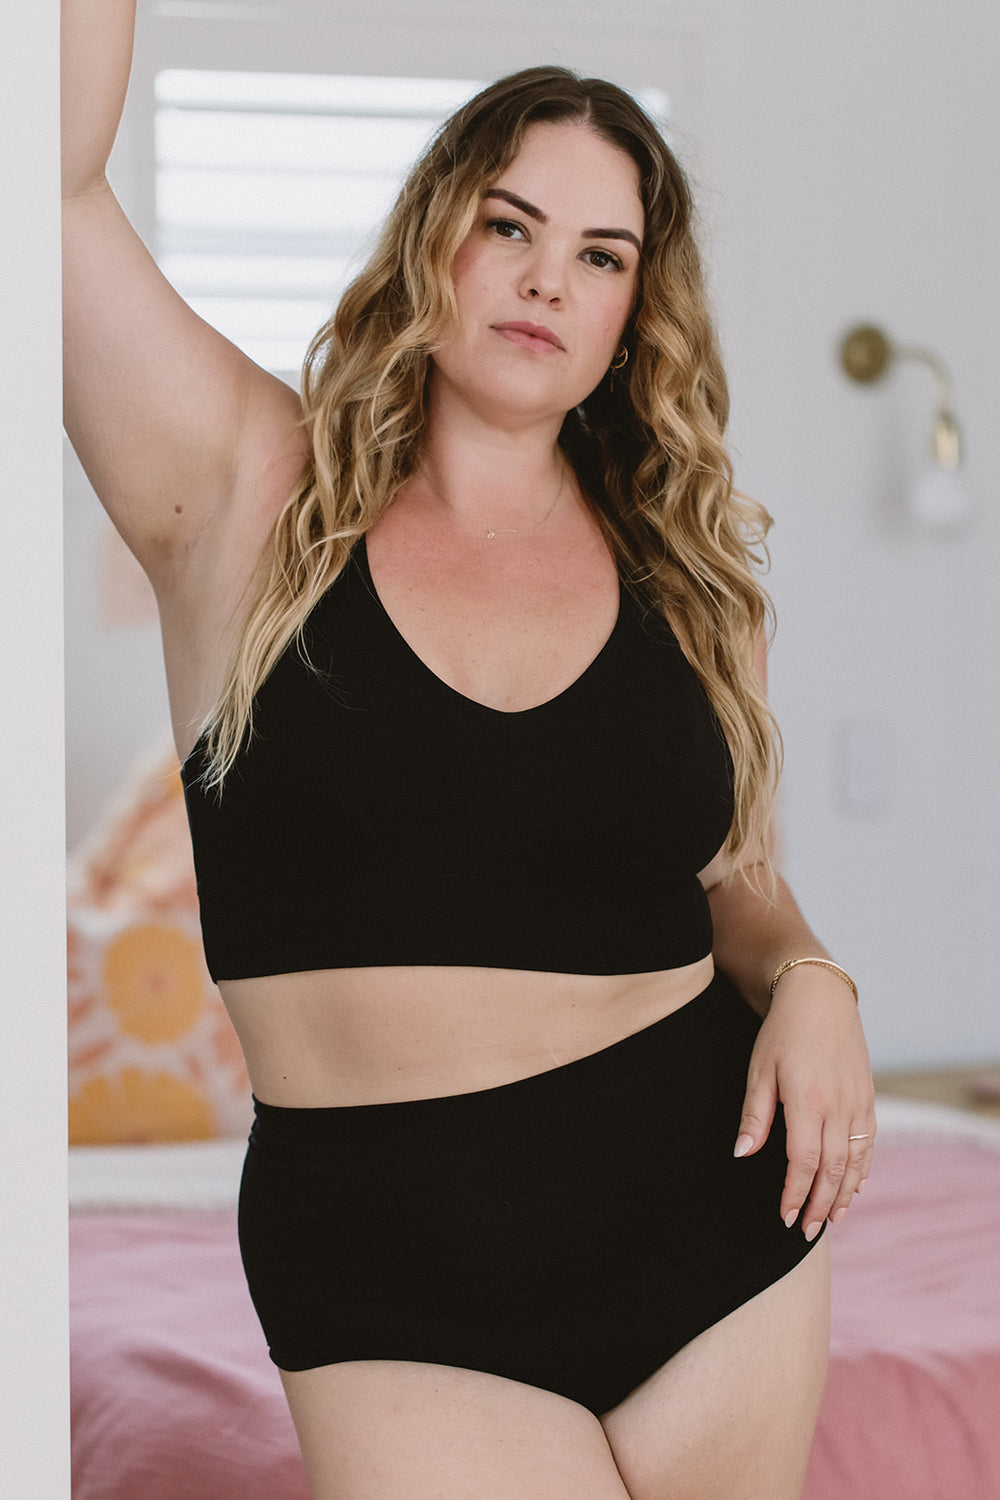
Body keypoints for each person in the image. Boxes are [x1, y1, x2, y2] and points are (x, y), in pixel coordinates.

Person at [62, 7, 875, 1496]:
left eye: (602, 254)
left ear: (637, 311)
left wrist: (817, 985)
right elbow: (46, 181)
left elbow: (741, 888)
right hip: (386, 1265)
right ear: (437, 233)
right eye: (510, 222)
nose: (546, 276)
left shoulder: (691, 581)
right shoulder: (246, 491)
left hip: (707, 1212)